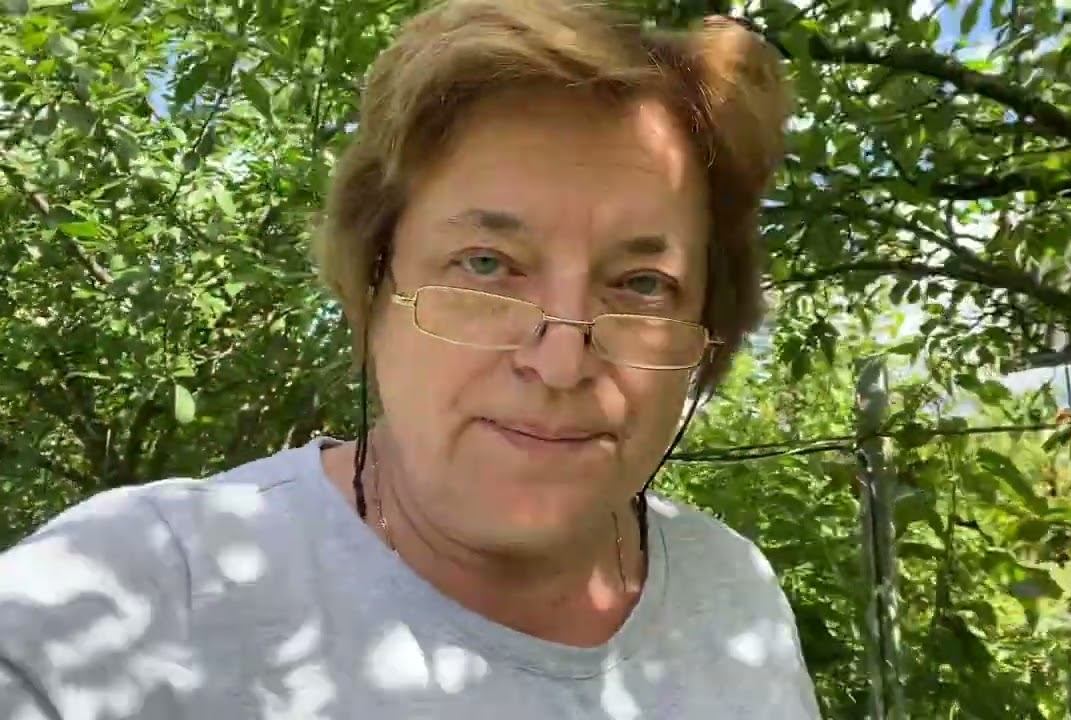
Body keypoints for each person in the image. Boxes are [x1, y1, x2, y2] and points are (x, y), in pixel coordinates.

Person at [0, 1, 821, 717]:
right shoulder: (139, 592)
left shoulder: (730, 592)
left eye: (641, 284)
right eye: (486, 265)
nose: (561, 362)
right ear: (374, 287)